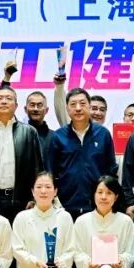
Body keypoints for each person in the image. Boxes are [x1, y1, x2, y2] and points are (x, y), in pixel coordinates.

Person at [9, 172, 76, 268]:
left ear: (55, 191)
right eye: (39, 187)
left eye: (48, 187)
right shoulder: (22, 218)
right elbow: (17, 249)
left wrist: (60, 262)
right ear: (33, 191)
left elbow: (71, 249)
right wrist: (34, 262)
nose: (43, 191)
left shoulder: (65, 217)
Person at [0, 85, 44, 222]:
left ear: (16, 105)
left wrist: (33, 198)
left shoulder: (29, 132)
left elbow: (37, 168)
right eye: (0, 98)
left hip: (22, 201)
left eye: (9, 98)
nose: (4, 101)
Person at [45, 88, 117, 219]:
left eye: (82, 104)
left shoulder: (103, 134)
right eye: (73, 104)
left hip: (98, 206)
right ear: (67, 109)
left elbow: (111, 171)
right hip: (65, 207)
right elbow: (50, 172)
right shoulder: (58, 136)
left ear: (89, 106)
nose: (78, 108)